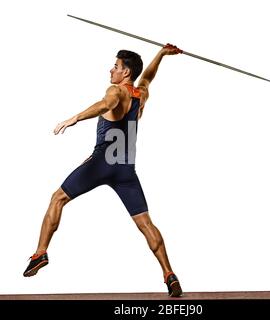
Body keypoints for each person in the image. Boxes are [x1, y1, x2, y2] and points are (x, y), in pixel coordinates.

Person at [23, 43, 184, 297]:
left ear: (126, 73)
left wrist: (74, 118)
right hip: (125, 171)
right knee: (145, 224)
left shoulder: (115, 92)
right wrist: (162, 54)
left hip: (100, 166)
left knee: (58, 198)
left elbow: (103, 104)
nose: (111, 70)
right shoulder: (141, 94)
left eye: (116, 67)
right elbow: (149, 76)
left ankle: (40, 253)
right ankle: (169, 274)